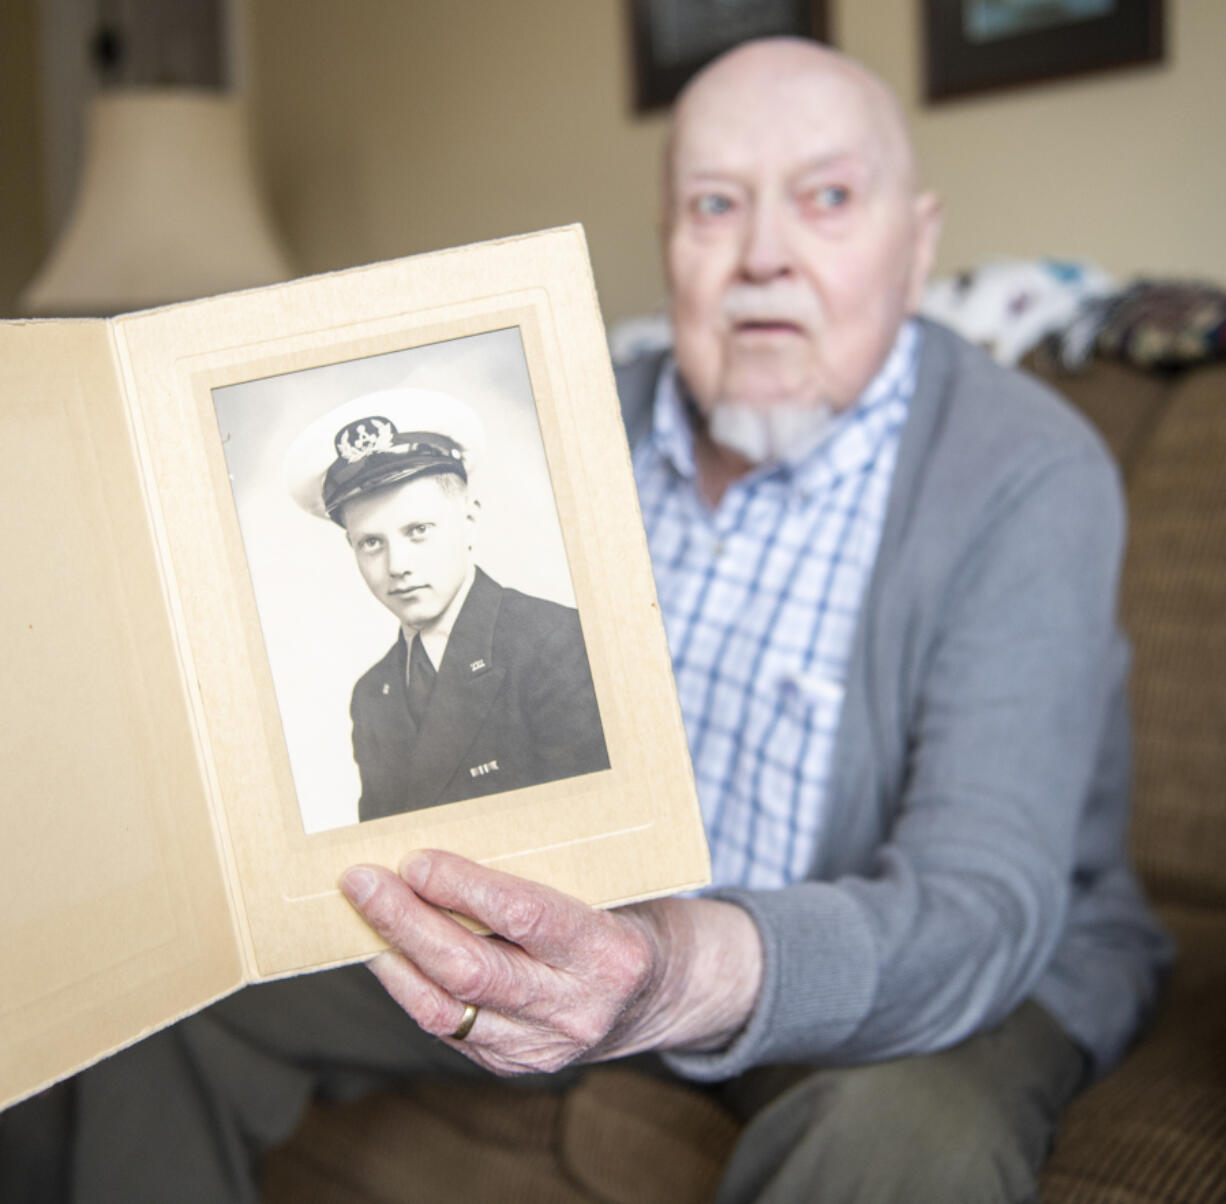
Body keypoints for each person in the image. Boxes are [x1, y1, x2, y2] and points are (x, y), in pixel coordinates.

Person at [0, 37, 1170, 1204]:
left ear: (915, 249)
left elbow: (976, 904)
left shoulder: (1024, 470)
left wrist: (671, 970)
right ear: (668, 239)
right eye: (715, 205)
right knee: (153, 1000)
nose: (763, 256)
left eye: (825, 199)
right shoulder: (589, 406)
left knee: (910, 1143)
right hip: (586, 929)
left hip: (921, 964)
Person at [284, 388, 610, 819]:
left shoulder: (557, 643)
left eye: (418, 530)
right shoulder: (372, 694)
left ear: (469, 521)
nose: (396, 565)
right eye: (371, 543)